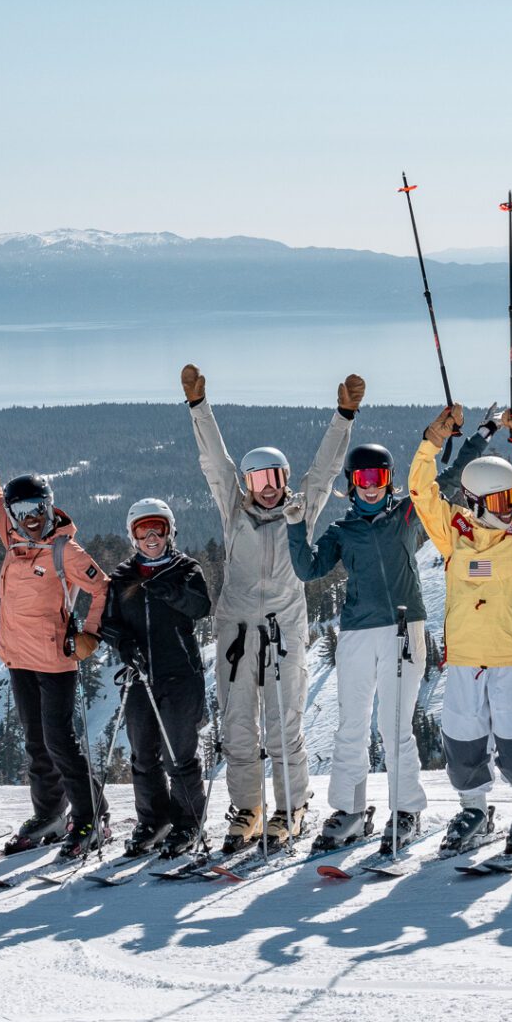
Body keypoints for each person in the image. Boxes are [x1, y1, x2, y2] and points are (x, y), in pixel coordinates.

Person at [183, 365, 357, 853]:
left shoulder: (299, 512)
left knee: (284, 726)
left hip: (284, 631)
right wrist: (200, 407)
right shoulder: (234, 511)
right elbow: (214, 464)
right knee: (238, 727)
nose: (266, 485)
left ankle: (291, 807)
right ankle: (248, 809)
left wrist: (344, 416)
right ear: (249, 481)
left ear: (283, 478)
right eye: (256, 477)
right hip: (237, 634)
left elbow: (323, 472)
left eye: (273, 476)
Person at [409, 403, 512, 853]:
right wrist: (432, 442)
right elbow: (421, 493)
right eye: (501, 501)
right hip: (464, 659)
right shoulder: (454, 532)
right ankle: (474, 809)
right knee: (462, 741)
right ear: (474, 502)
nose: (511, 509)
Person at [0, 409, 112, 862]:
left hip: (54, 659)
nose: (29, 518)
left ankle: (91, 815)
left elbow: (102, 587)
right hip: (18, 658)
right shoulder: (13, 539)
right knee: (35, 741)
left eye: (36, 510)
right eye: (20, 512)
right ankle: (49, 813)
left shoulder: (66, 549)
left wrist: (89, 634)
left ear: (49, 506)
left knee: (60, 741)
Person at [288, 443, 438, 855]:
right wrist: (295, 527)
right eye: (362, 480)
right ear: (351, 485)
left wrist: (476, 437)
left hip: (404, 629)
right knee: (351, 726)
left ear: (389, 480)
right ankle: (351, 812)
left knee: (394, 726)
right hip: (357, 633)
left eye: (378, 479)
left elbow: (449, 485)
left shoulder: (406, 514)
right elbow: (309, 569)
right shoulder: (342, 531)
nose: (370, 488)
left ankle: (406, 809)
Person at [98, 499, 214, 861]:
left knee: (179, 753)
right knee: (142, 752)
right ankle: (154, 820)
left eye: (158, 529)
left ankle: (188, 822)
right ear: (132, 535)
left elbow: (201, 607)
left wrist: (172, 592)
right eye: (142, 530)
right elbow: (108, 623)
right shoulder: (122, 577)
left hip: (179, 674)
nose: (151, 537)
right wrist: (123, 644)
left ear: (170, 531)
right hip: (139, 675)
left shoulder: (186, 569)